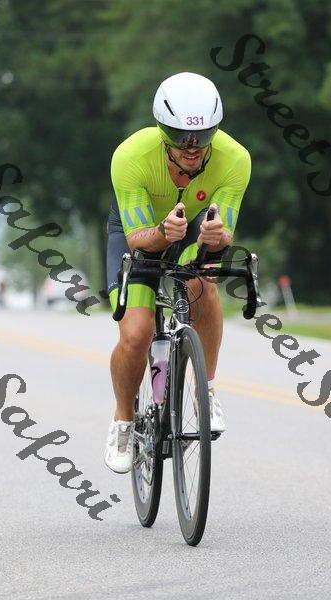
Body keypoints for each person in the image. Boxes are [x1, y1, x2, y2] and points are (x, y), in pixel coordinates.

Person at [105, 72, 251, 473]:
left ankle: (206, 390)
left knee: (203, 282)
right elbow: (138, 240)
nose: (192, 147)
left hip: (193, 228)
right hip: (140, 232)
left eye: (202, 136)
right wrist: (161, 233)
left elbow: (224, 232)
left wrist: (217, 236)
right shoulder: (130, 156)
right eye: (180, 136)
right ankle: (123, 420)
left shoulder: (236, 159)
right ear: (160, 128)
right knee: (136, 334)